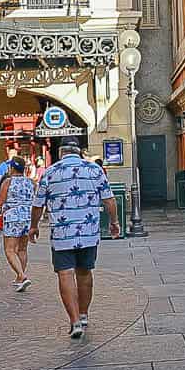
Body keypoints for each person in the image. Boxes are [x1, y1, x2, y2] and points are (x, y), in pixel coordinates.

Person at [32, 140, 119, 339]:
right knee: (85, 272)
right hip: (88, 233)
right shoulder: (94, 170)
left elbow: (38, 205)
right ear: (79, 152)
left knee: (65, 274)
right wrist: (114, 222)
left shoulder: (50, 172)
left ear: (61, 153)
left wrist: (34, 226)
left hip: (62, 234)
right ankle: (84, 313)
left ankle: (74, 321)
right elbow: (109, 199)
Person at [0, 157, 36, 292]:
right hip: (27, 217)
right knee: (22, 249)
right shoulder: (31, 182)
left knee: (9, 250)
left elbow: (0, 201)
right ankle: (19, 277)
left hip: (12, 217)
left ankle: (22, 275)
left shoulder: (8, 182)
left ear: (12, 168)